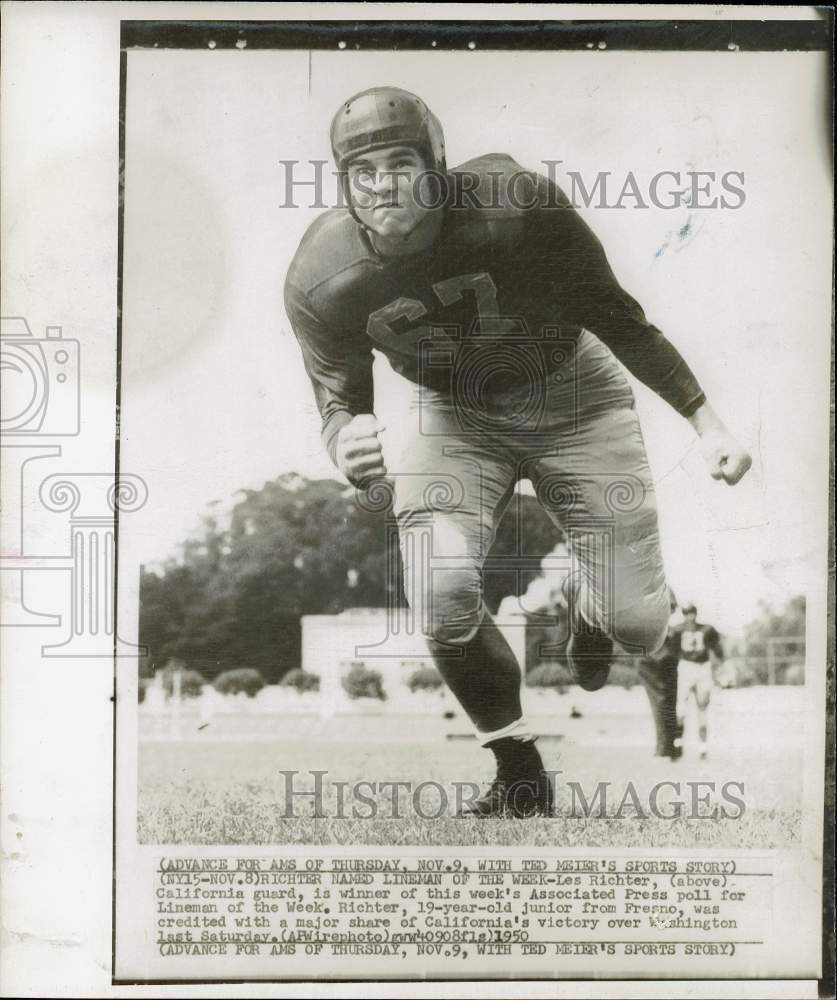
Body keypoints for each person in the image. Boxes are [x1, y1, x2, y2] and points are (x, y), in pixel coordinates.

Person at [284, 87, 751, 817]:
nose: (383, 185)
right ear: (343, 185)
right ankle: (517, 770)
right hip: (456, 415)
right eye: (363, 171)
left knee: (639, 625)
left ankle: (590, 614)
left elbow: (615, 315)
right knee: (437, 595)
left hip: (573, 394)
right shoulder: (322, 276)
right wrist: (345, 440)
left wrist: (707, 423)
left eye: (400, 163)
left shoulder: (516, 205)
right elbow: (339, 396)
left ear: (437, 166)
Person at [673, 602, 724, 759]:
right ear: (684, 614)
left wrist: (721, 667)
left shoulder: (707, 629)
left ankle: (703, 747)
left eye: (692, 612)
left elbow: (717, 649)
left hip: (702, 668)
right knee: (681, 708)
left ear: (696, 613)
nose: (690, 616)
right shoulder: (677, 630)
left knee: (702, 707)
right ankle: (678, 743)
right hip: (686, 667)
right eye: (687, 613)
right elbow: (671, 651)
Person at [638, 589, 683, 759]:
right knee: (663, 703)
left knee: (666, 702)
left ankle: (668, 746)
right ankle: (666, 746)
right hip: (653, 656)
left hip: (663, 655)